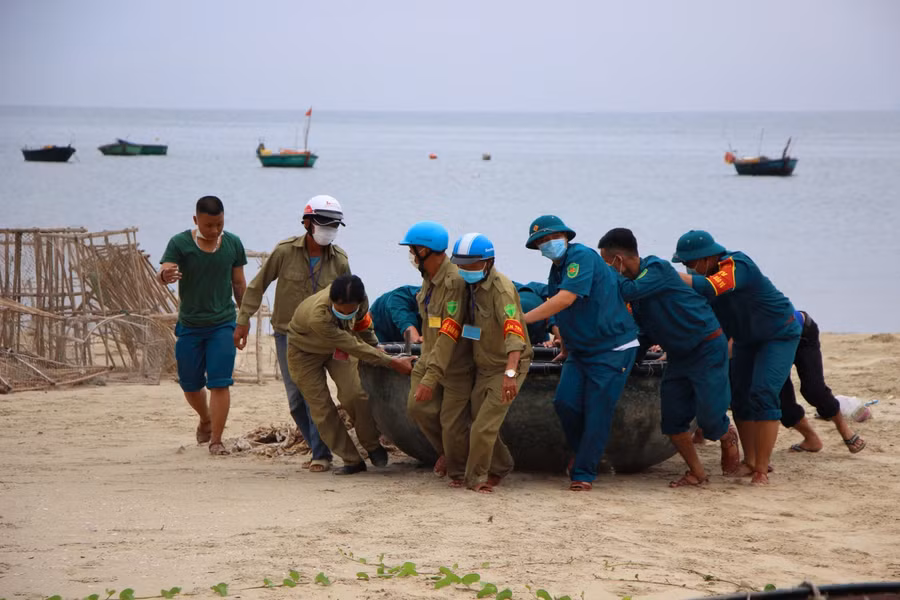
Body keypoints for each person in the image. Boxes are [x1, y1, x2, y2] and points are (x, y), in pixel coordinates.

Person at [598, 228, 740, 487]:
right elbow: (643, 332)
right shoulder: (637, 292)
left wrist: (606, 273)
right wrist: (628, 363)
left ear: (618, 259)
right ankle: (697, 472)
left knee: (710, 418)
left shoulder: (656, 269)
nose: (606, 268)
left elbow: (629, 291)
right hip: (678, 354)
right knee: (673, 421)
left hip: (706, 346)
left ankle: (727, 434)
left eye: (607, 262)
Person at [673, 230, 801, 485]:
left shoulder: (736, 264)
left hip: (778, 334)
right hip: (745, 338)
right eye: (684, 265)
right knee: (740, 397)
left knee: (764, 393)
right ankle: (750, 461)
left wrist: (670, 276)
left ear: (706, 257)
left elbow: (713, 287)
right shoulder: (703, 275)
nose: (688, 268)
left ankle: (762, 469)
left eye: (689, 262)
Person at [522, 215, 638, 492]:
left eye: (551, 238)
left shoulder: (581, 257)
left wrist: (521, 319)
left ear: (564, 236)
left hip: (613, 348)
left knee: (598, 410)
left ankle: (583, 472)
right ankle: (583, 453)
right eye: (541, 242)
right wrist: (564, 344)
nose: (547, 244)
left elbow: (566, 299)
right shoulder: (556, 268)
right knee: (565, 403)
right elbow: (562, 311)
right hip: (581, 350)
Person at [234, 194, 349, 472]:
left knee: (317, 396)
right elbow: (257, 285)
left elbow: (349, 299)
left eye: (334, 224)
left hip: (325, 336)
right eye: (324, 223)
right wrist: (243, 320)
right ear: (308, 222)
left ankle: (322, 455)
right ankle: (317, 445)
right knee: (297, 400)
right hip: (289, 336)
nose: (329, 229)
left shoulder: (340, 260)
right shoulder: (285, 252)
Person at [285, 275, 415, 475]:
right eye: (341, 310)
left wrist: (375, 347)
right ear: (332, 301)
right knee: (322, 408)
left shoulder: (362, 303)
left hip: (337, 350)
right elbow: (351, 344)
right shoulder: (318, 316)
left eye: (350, 311)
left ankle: (372, 445)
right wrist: (391, 362)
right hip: (304, 351)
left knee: (355, 394)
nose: (346, 314)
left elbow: (363, 327)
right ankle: (351, 459)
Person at [158, 195, 247, 456]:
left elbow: (239, 284)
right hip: (190, 326)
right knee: (190, 385)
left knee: (220, 382)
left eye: (219, 224)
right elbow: (164, 271)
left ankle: (216, 440)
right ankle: (205, 418)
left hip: (223, 324)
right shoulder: (180, 243)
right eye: (209, 225)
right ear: (196, 221)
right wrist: (165, 275)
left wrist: (244, 319)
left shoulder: (233, 244)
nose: (215, 230)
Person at [451, 233, 533, 493]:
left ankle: (476, 478)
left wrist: (510, 373)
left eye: (469, 265)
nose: (463, 270)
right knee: (478, 420)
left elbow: (514, 334)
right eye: (460, 264)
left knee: (483, 427)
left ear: (487, 262)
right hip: (484, 365)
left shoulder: (501, 290)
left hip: (507, 364)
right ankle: (501, 465)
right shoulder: (472, 286)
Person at [399, 221, 474, 486]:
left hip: (453, 362)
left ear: (425, 250)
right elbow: (429, 322)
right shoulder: (428, 278)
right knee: (416, 407)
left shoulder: (454, 281)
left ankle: (458, 470)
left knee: (452, 422)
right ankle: (446, 452)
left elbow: (449, 332)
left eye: (412, 250)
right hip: (429, 353)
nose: (410, 255)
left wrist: (432, 377)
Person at [780, 310, 866, 453]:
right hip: (772, 343)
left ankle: (844, 429)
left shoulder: (749, 297)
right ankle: (811, 439)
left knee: (814, 390)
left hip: (802, 334)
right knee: (781, 399)